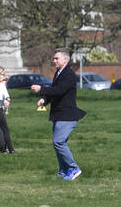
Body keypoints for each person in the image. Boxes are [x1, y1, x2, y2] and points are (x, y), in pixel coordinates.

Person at [31, 48, 86, 181]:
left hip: (67, 115)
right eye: (54, 58)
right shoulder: (59, 73)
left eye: (56, 58)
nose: (53, 60)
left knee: (59, 142)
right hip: (59, 114)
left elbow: (60, 90)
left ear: (65, 60)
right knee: (58, 144)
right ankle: (63, 171)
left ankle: (73, 168)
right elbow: (54, 92)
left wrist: (41, 89)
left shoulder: (69, 74)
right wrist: (44, 99)